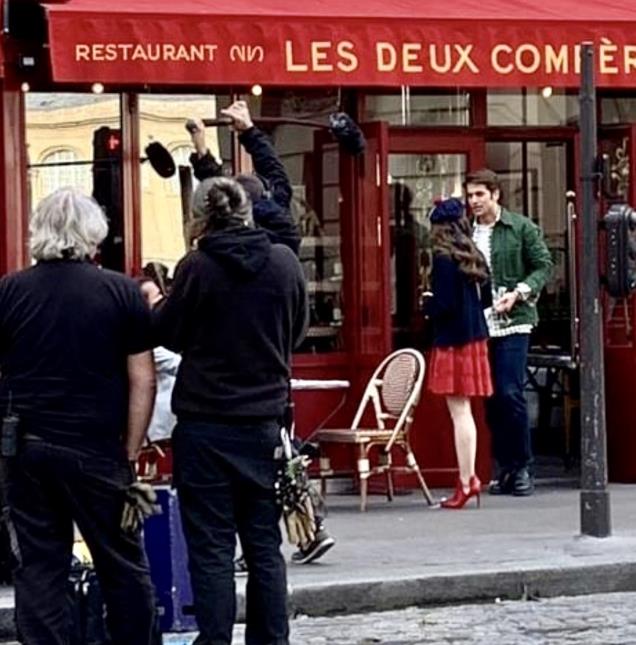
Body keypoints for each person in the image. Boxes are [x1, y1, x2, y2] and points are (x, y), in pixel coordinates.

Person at [153, 176, 308, 645]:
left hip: (206, 424)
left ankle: (216, 638)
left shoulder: (197, 267)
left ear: (200, 216)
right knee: (264, 543)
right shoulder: (284, 262)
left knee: (212, 546)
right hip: (264, 423)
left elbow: (167, 332)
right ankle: (271, 639)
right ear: (249, 210)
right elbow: (297, 332)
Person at [0, 188, 158, 644]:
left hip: (26, 446)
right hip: (97, 447)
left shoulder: (9, 291)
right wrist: (130, 450)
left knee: (39, 564)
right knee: (122, 562)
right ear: (93, 235)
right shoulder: (121, 292)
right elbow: (143, 380)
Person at [189, 101, 335, 566]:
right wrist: (246, 132)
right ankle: (302, 532)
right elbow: (264, 173)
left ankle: (301, 531)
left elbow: (219, 191)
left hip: (233, 382)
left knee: (270, 467)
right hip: (273, 366)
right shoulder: (282, 236)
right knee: (282, 457)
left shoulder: (229, 252)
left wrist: (205, 145)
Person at [467, 169, 554, 497]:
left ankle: (522, 467)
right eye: (470, 195)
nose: (474, 201)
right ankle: (504, 466)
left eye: (479, 195)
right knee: (490, 399)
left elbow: (544, 265)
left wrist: (518, 293)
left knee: (509, 392)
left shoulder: (519, 227)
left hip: (514, 320)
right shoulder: (468, 231)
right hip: (480, 323)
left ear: (495, 195)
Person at [426, 198, 493, 509]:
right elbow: (487, 299)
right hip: (475, 336)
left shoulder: (442, 258)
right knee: (466, 411)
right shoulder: (474, 255)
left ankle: (467, 480)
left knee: (459, 412)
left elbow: (444, 305)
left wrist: (427, 303)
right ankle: (469, 479)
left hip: (452, 340)